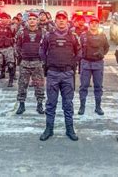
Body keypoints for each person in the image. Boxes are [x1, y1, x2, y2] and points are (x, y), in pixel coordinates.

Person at [39, 10, 81, 141]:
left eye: (64, 18)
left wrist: (72, 63)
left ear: (67, 20)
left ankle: (70, 129)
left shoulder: (73, 36)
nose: (61, 20)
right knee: (51, 103)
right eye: (59, 18)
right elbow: (42, 51)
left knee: (68, 103)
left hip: (67, 74)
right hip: (53, 73)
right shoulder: (48, 36)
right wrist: (47, 63)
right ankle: (49, 129)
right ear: (55, 20)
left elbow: (79, 52)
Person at [15, 12, 46, 115]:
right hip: (25, 63)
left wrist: (43, 58)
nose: (32, 20)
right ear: (27, 21)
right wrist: (21, 55)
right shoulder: (22, 32)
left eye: (34, 19)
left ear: (37, 20)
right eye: (30, 19)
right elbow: (17, 46)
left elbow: (47, 47)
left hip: (37, 63)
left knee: (39, 85)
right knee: (22, 85)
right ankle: (21, 105)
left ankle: (40, 105)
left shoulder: (43, 32)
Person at [78, 16, 109, 115]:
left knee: (98, 86)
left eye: (96, 23)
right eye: (92, 23)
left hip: (98, 63)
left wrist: (101, 54)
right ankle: (82, 106)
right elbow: (79, 47)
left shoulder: (103, 36)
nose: (94, 24)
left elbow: (106, 47)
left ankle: (98, 107)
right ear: (89, 24)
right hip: (86, 63)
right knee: (83, 86)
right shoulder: (83, 36)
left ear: (98, 24)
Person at [0, 13, 16, 87]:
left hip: (8, 48)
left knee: (11, 65)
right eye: (2, 18)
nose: (4, 19)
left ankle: (11, 81)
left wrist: (11, 41)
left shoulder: (12, 27)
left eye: (5, 18)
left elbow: (16, 37)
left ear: (8, 19)